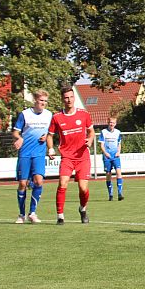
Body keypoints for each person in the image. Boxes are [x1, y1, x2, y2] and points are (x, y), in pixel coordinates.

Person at [49, 86, 94, 224]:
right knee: (63, 184)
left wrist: (90, 140)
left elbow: (91, 132)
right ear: (62, 99)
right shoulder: (56, 117)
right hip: (67, 157)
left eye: (71, 97)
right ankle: (60, 216)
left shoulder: (84, 114)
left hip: (82, 157)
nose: (69, 100)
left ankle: (83, 208)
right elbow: (50, 135)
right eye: (66, 97)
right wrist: (50, 148)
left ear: (74, 98)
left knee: (83, 188)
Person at [12, 90, 53, 223]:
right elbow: (15, 132)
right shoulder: (25, 114)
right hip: (25, 153)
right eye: (41, 100)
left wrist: (47, 139)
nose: (44, 103)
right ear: (35, 100)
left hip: (39, 153)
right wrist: (19, 139)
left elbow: (50, 133)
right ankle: (21, 214)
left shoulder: (49, 115)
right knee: (23, 183)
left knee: (39, 181)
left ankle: (33, 212)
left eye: (45, 101)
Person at [98, 116, 124, 201]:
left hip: (115, 156)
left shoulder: (118, 132)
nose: (111, 124)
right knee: (108, 174)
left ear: (115, 124)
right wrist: (105, 153)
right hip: (107, 156)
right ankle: (111, 194)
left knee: (119, 172)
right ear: (108, 123)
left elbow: (119, 143)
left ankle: (120, 193)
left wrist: (118, 152)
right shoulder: (103, 132)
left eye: (113, 123)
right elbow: (101, 145)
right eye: (110, 122)